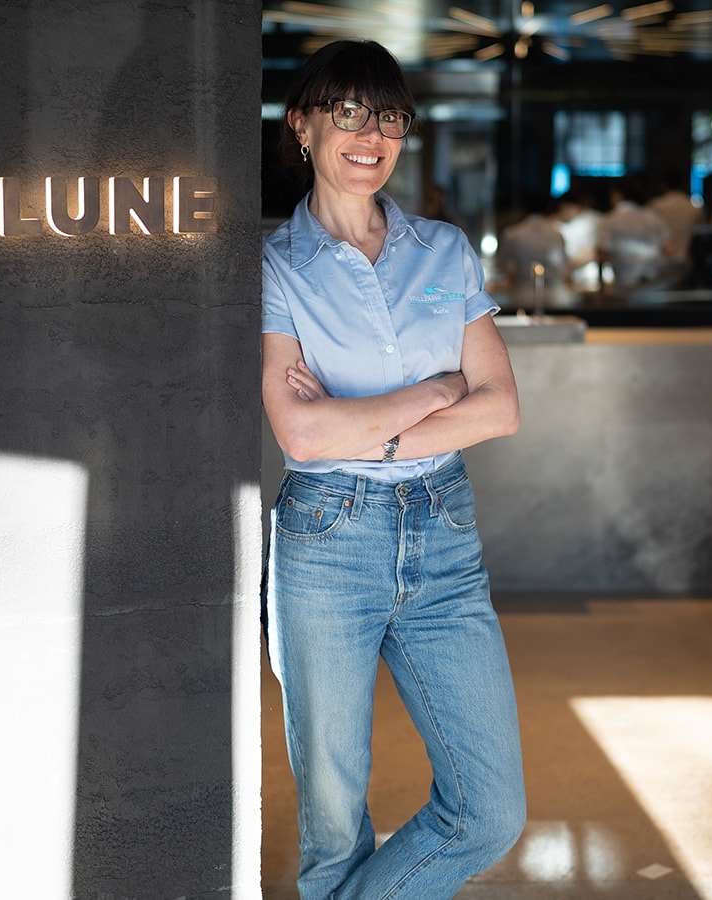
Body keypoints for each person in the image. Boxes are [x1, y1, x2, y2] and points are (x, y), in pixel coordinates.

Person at [260, 39, 526, 900]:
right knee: (334, 824)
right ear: (301, 124)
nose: (368, 133)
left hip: (444, 538)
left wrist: (365, 420)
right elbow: (300, 438)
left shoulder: (445, 252)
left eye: (387, 116)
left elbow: (500, 408)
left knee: (489, 811)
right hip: (327, 539)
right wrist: (437, 389)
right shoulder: (271, 269)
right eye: (344, 111)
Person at [595, 174, 671, 296]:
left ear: (617, 194)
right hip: (652, 286)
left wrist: (601, 286)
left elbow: (602, 255)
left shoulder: (608, 220)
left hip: (623, 287)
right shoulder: (654, 218)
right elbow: (668, 250)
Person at [495, 189, 569, 310]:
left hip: (524, 294)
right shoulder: (556, 234)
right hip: (554, 295)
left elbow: (502, 265)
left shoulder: (513, 233)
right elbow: (564, 267)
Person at [648, 166, 704, 283]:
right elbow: (702, 237)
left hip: (661, 265)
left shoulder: (654, 206)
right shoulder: (694, 207)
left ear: (663, 184)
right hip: (686, 264)